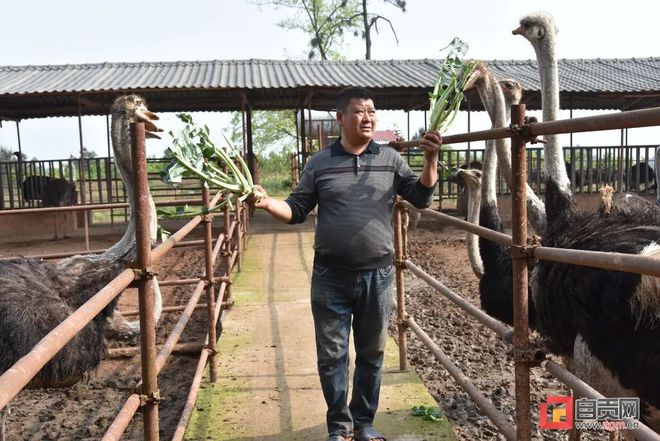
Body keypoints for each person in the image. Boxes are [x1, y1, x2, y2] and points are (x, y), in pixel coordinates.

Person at [252, 86, 440, 441]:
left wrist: (431, 162)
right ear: (341, 118)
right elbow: (295, 210)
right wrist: (265, 203)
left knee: (372, 354)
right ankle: (339, 427)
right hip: (329, 277)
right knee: (332, 356)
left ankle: (364, 424)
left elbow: (421, 197)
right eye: (359, 111)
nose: (367, 117)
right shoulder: (320, 163)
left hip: (378, 276)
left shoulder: (390, 159)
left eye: (372, 111)